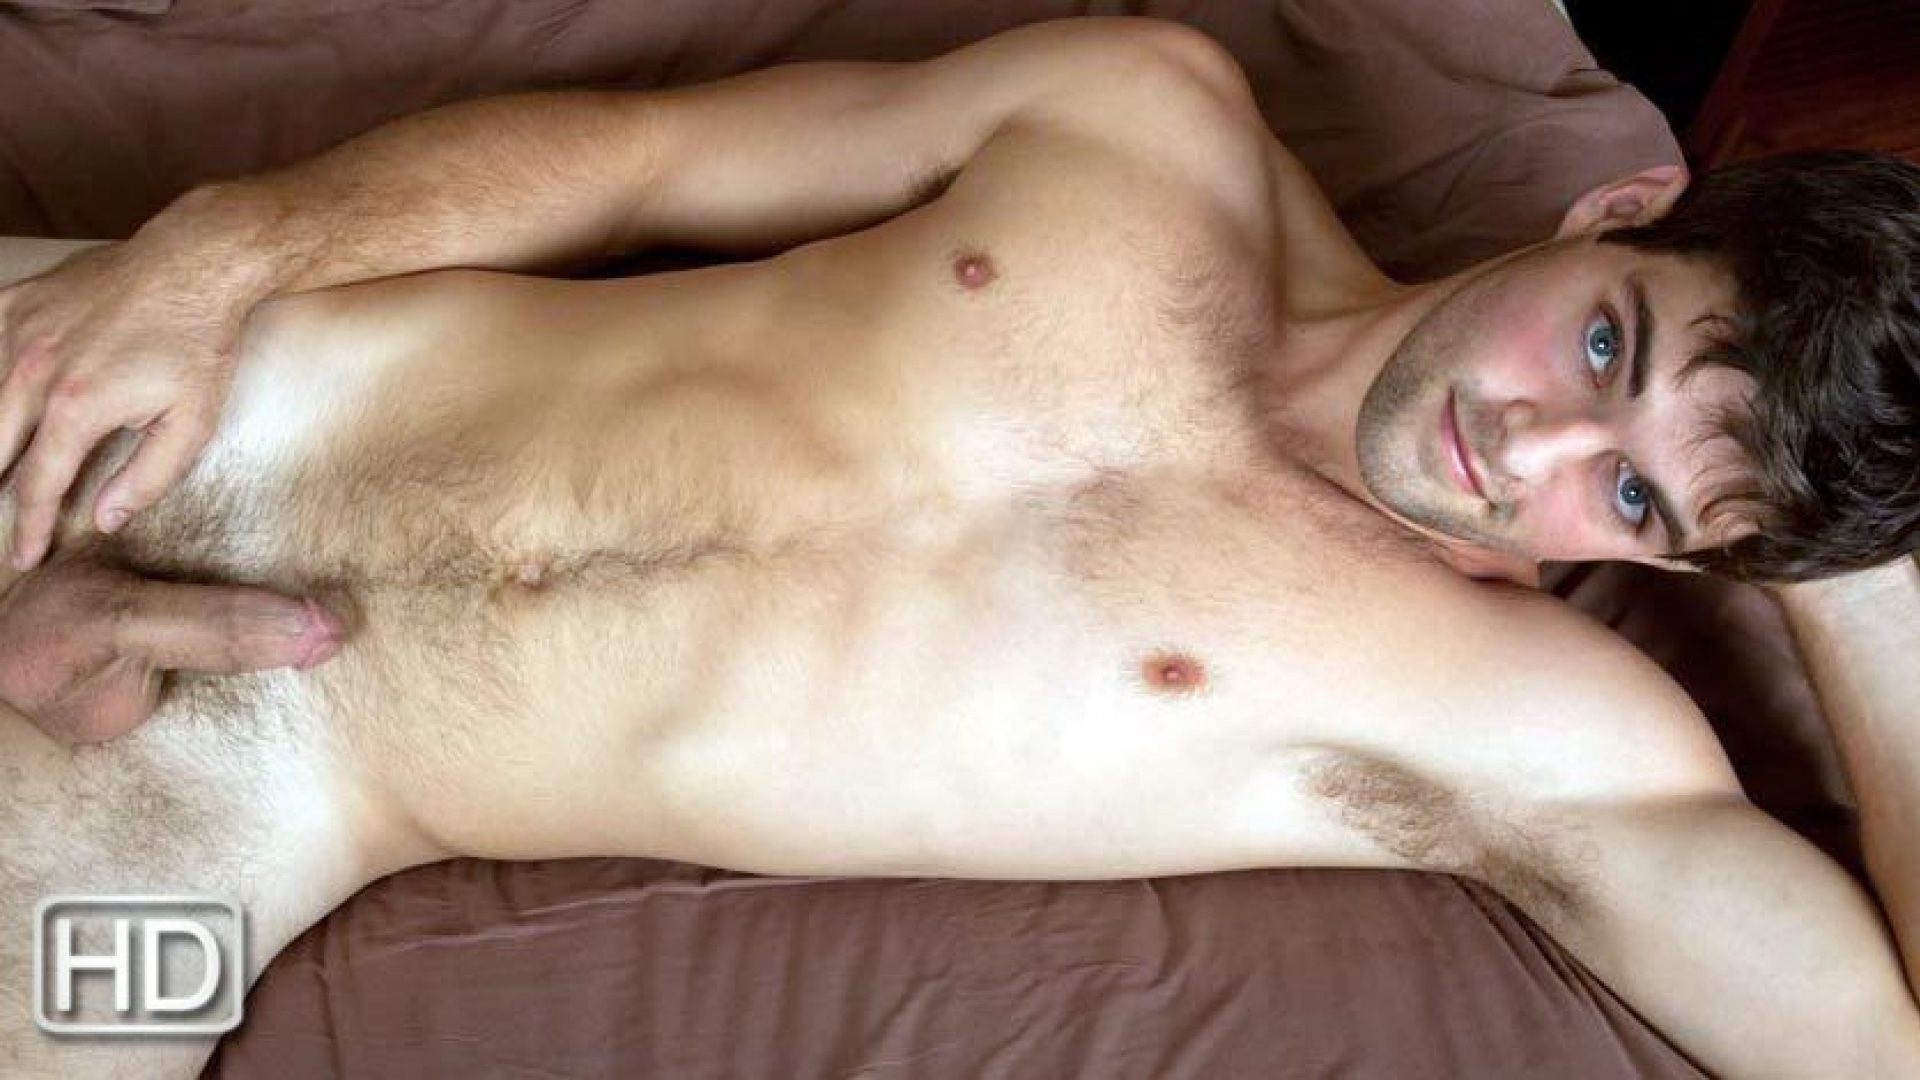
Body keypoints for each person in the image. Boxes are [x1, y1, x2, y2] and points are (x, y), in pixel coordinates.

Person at [0, 17, 1914, 1078]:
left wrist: (1855, 548)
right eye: (1608, 348)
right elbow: (642, 158)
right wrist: (223, 253)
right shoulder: (1144, 118)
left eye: (1636, 501)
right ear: (1623, 209)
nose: (1532, 447)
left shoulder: (1528, 729)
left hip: (231, 828)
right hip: (217, 392)